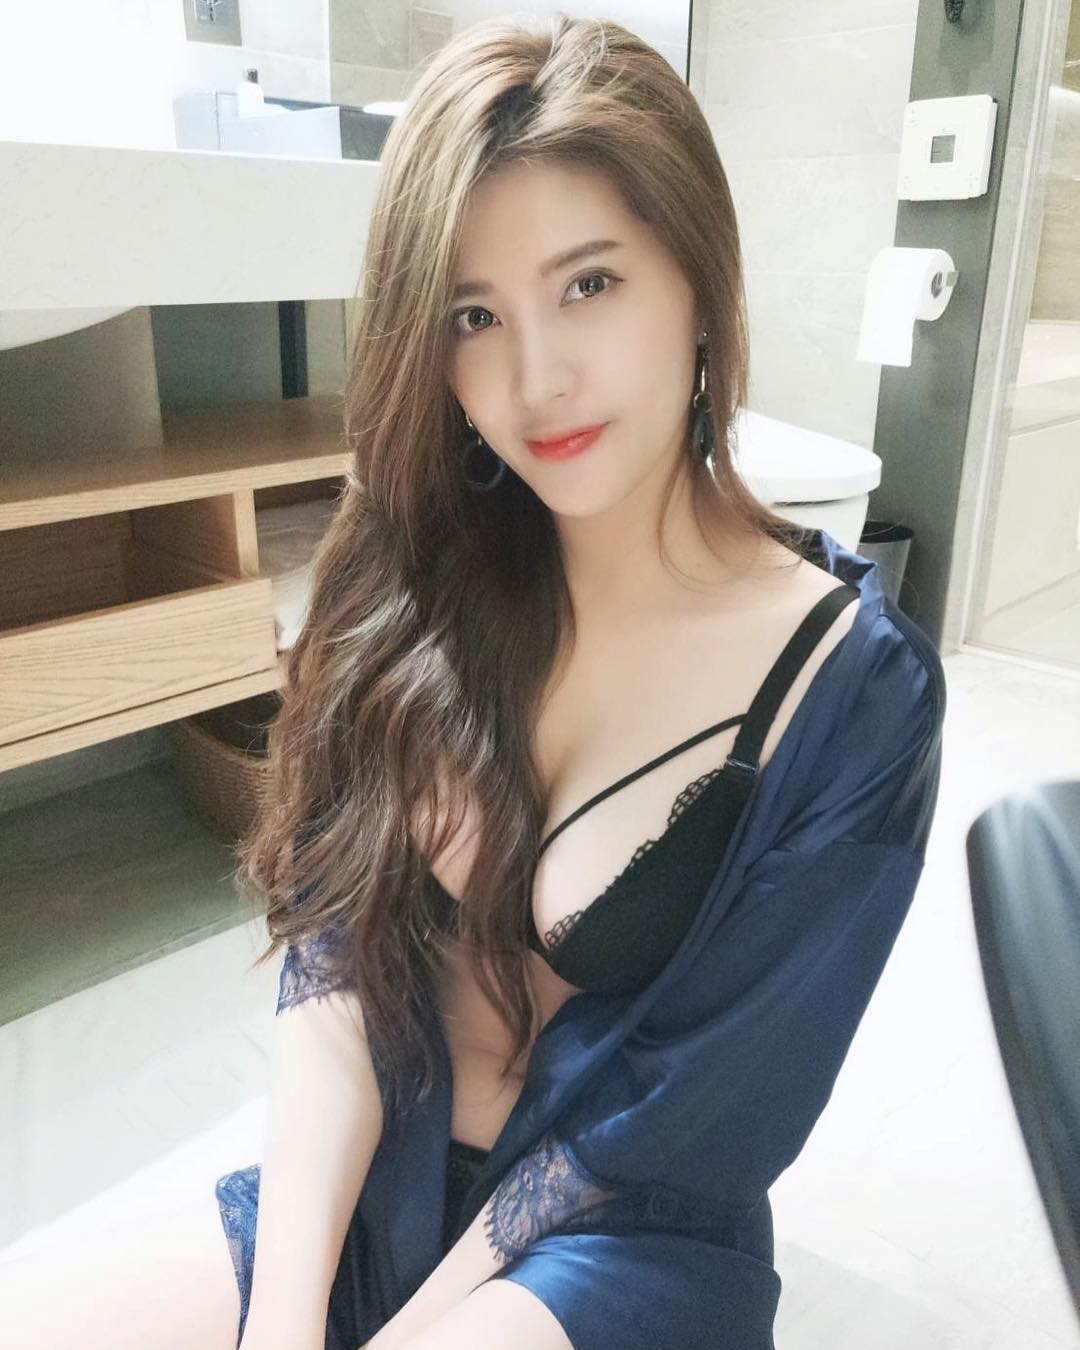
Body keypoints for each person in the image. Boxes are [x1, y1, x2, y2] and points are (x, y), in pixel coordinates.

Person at [0, 14, 946, 1350]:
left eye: (589, 284)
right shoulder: (411, 569)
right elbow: (337, 949)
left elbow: (682, 1122)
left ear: (698, 284)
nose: (535, 377)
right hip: (382, 1179)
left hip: (620, 1239)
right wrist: (285, 1319)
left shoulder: (855, 693)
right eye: (474, 315)